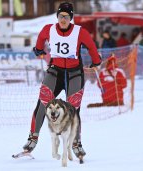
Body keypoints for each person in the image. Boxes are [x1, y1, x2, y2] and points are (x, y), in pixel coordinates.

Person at [22, 2, 101, 159]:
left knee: (73, 109)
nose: (63, 19)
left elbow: (91, 47)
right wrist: (38, 49)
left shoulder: (80, 32)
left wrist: (96, 61)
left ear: (71, 18)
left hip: (74, 74)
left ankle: (76, 142)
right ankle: (33, 138)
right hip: (55, 72)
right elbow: (40, 39)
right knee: (43, 104)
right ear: (57, 17)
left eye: (66, 16)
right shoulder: (49, 29)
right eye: (60, 16)